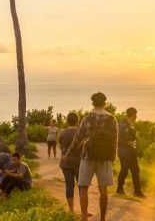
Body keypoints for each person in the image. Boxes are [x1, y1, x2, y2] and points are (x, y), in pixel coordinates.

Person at [69, 92, 118, 221]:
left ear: (92, 103)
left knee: (83, 187)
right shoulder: (112, 119)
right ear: (105, 103)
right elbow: (115, 141)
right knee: (103, 189)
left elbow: (77, 138)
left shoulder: (87, 119)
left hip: (88, 156)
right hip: (105, 158)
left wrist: (68, 154)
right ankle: (102, 218)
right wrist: (112, 157)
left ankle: (84, 217)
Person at [58, 112, 84, 214]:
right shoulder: (81, 133)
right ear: (78, 121)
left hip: (66, 162)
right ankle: (83, 210)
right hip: (79, 162)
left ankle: (71, 210)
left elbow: (60, 147)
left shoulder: (63, 133)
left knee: (69, 185)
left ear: (67, 121)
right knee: (82, 186)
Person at [116, 107, 144, 197]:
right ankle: (119, 189)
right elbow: (117, 139)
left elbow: (133, 138)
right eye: (135, 114)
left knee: (136, 170)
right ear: (132, 115)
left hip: (131, 152)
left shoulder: (132, 125)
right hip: (124, 152)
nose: (136, 116)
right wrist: (127, 142)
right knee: (124, 170)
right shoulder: (122, 125)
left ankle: (137, 191)